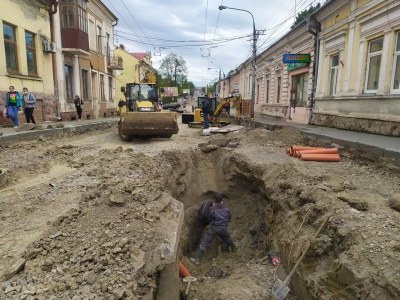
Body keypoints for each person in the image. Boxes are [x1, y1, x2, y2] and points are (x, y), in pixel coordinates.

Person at [190, 193, 237, 265]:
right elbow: (229, 217)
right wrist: (224, 223)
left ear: (215, 200)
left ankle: (197, 260)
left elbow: (209, 219)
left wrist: (213, 223)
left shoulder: (212, 209)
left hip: (214, 228)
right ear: (221, 201)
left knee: (204, 243)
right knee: (227, 238)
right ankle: (234, 248)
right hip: (223, 227)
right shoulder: (226, 209)